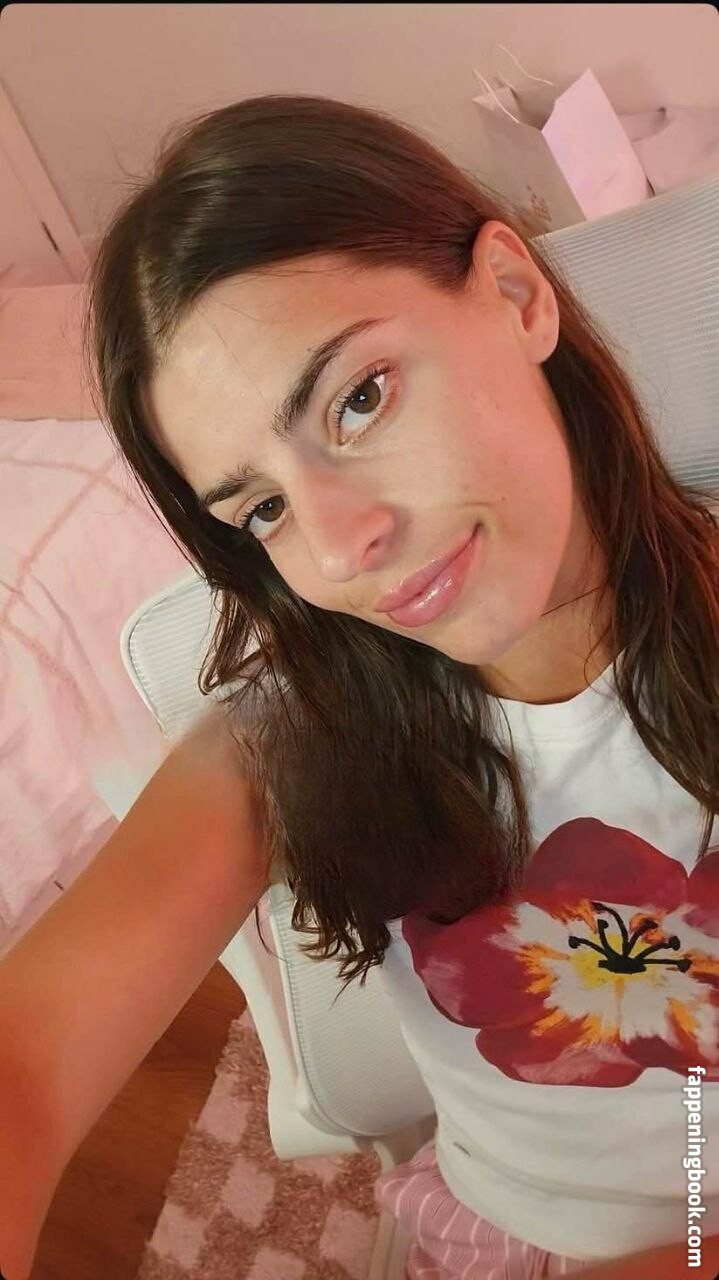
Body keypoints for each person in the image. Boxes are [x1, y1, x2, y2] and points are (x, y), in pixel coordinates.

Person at [2, 93, 718, 1280]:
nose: (339, 548)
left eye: (358, 398)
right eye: (263, 508)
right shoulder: (293, 735)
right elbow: (25, 1056)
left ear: (514, 294)